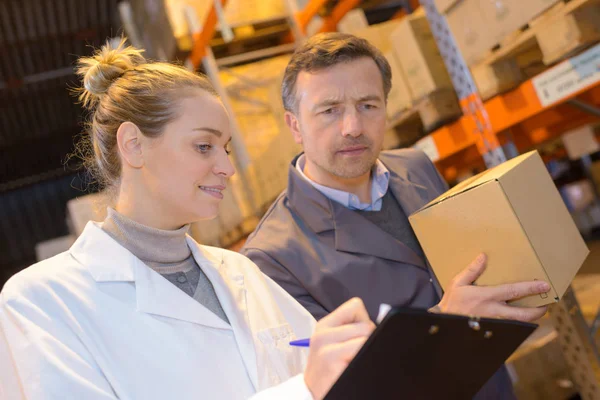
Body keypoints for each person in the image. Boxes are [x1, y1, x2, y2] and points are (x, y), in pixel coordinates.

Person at [0, 39, 376, 400]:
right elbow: (307, 387)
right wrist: (302, 391)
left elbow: (330, 377)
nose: (228, 168)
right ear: (133, 145)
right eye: (204, 146)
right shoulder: (42, 302)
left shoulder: (240, 272)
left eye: (226, 148)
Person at [241, 32, 551, 399]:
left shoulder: (416, 167)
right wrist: (448, 320)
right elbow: (341, 386)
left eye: (368, 105)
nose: (353, 126)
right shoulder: (272, 259)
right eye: (329, 110)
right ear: (295, 126)